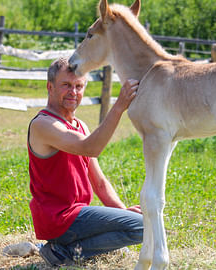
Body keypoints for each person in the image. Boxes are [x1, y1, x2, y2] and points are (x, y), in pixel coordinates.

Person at [27, 57, 142, 266]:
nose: (73, 92)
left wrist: (123, 212)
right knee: (143, 227)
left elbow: (99, 183)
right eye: (66, 85)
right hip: (59, 218)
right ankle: (63, 252)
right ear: (49, 87)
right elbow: (92, 147)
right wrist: (119, 107)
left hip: (76, 215)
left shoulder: (80, 125)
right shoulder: (43, 124)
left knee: (141, 224)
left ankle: (67, 250)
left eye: (79, 86)